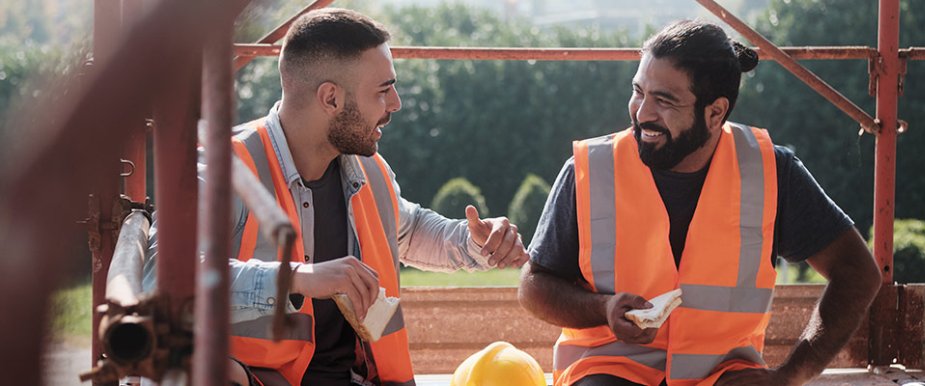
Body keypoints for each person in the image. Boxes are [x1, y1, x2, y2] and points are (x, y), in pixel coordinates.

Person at [143, 8, 529, 386]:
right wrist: (298, 279)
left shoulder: (368, 170)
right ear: (330, 99)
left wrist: (477, 242)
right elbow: (161, 276)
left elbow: (408, 230)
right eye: (383, 91)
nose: (395, 104)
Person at [518, 20, 881, 386]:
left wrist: (790, 375)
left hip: (721, 374)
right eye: (638, 91)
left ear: (715, 113)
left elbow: (858, 273)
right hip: (610, 367)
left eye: (664, 100)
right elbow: (533, 285)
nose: (643, 113)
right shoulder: (590, 168)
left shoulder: (772, 171)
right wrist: (603, 308)